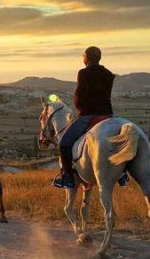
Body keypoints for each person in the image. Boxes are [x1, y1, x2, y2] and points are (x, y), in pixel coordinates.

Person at [52, 46, 127, 189]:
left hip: (89, 115)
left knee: (64, 144)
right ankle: (122, 173)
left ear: (86, 58)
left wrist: (78, 107)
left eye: (83, 56)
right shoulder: (108, 74)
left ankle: (67, 178)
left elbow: (80, 96)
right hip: (107, 115)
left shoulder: (83, 73)